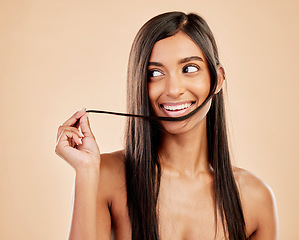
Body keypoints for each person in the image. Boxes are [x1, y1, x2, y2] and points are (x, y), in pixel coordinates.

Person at [55, 11, 278, 240]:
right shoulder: (105, 176)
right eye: (155, 73)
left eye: (189, 68)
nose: (173, 89)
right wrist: (85, 171)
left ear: (218, 79)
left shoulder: (255, 199)